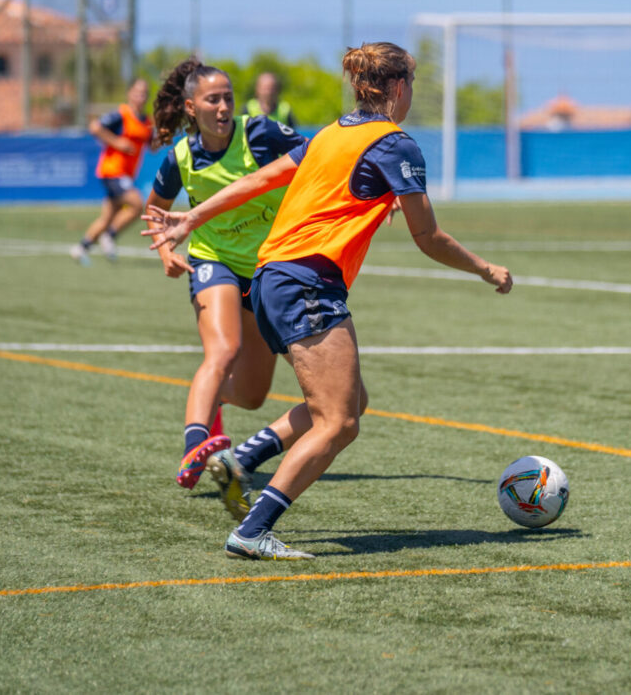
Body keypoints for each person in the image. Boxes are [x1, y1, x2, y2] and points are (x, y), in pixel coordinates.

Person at [144, 41, 513, 560]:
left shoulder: (332, 135)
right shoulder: (394, 144)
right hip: (306, 283)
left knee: (348, 402)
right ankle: (253, 530)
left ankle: (244, 458)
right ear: (400, 87)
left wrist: (191, 217)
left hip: (272, 278)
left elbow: (262, 178)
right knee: (338, 422)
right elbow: (427, 236)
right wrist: (484, 268)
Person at [143, 58, 308, 490]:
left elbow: (317, 160)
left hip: (266, 269)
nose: (222, 108)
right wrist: (165, 253)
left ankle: (211, 399)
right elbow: (155, 211)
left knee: (253, 396)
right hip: (212, 261)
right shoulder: (180, 156)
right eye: (212, 100)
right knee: (222, 350)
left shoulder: (260, 133)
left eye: (228, 99)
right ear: (191, 106)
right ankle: (195, 445)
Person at [71, 78, 153, 264]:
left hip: (126, 174)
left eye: (144, 93)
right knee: (137, 204)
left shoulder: (146, 122)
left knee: (107, 217)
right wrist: (117, 143)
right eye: (137, 92)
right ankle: (109, 236)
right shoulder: (121, 115)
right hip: (112, 171)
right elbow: (94, 127)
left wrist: (165, 133)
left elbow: (153, 146)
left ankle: (81, 247)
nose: (141, 96)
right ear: (129, 93)